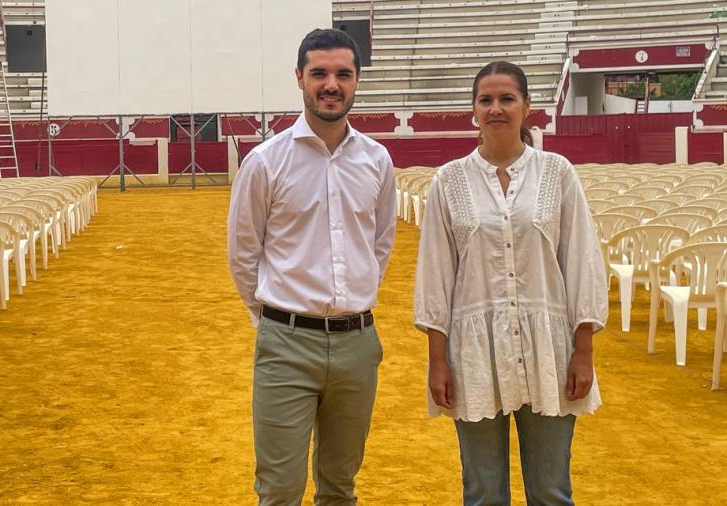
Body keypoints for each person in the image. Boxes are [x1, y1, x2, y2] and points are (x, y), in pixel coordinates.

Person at [414, 61, 608, 505]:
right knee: (482, 493)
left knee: (552, 491)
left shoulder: (557, 173)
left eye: (506, 99)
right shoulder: (448, 180)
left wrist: (584, 352)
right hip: (473, 355)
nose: (496, 109)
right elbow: (436, 275)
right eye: (486, 100)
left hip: (550, 354)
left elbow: (581, 262)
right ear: (474, 110)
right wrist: (437, 361)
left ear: (527, 107)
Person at [227, 28, 396, 506]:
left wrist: (352, 300)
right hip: (285, 344)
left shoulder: (377, 161)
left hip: (358, 345)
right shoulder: (264, 162)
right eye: (319, 73)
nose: (331, 84)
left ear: (357, 81)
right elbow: (243, 255)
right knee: (279, 490)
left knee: (340, 488)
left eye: (343, 74)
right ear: (300, 77)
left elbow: (379, 244)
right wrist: (274, 321)